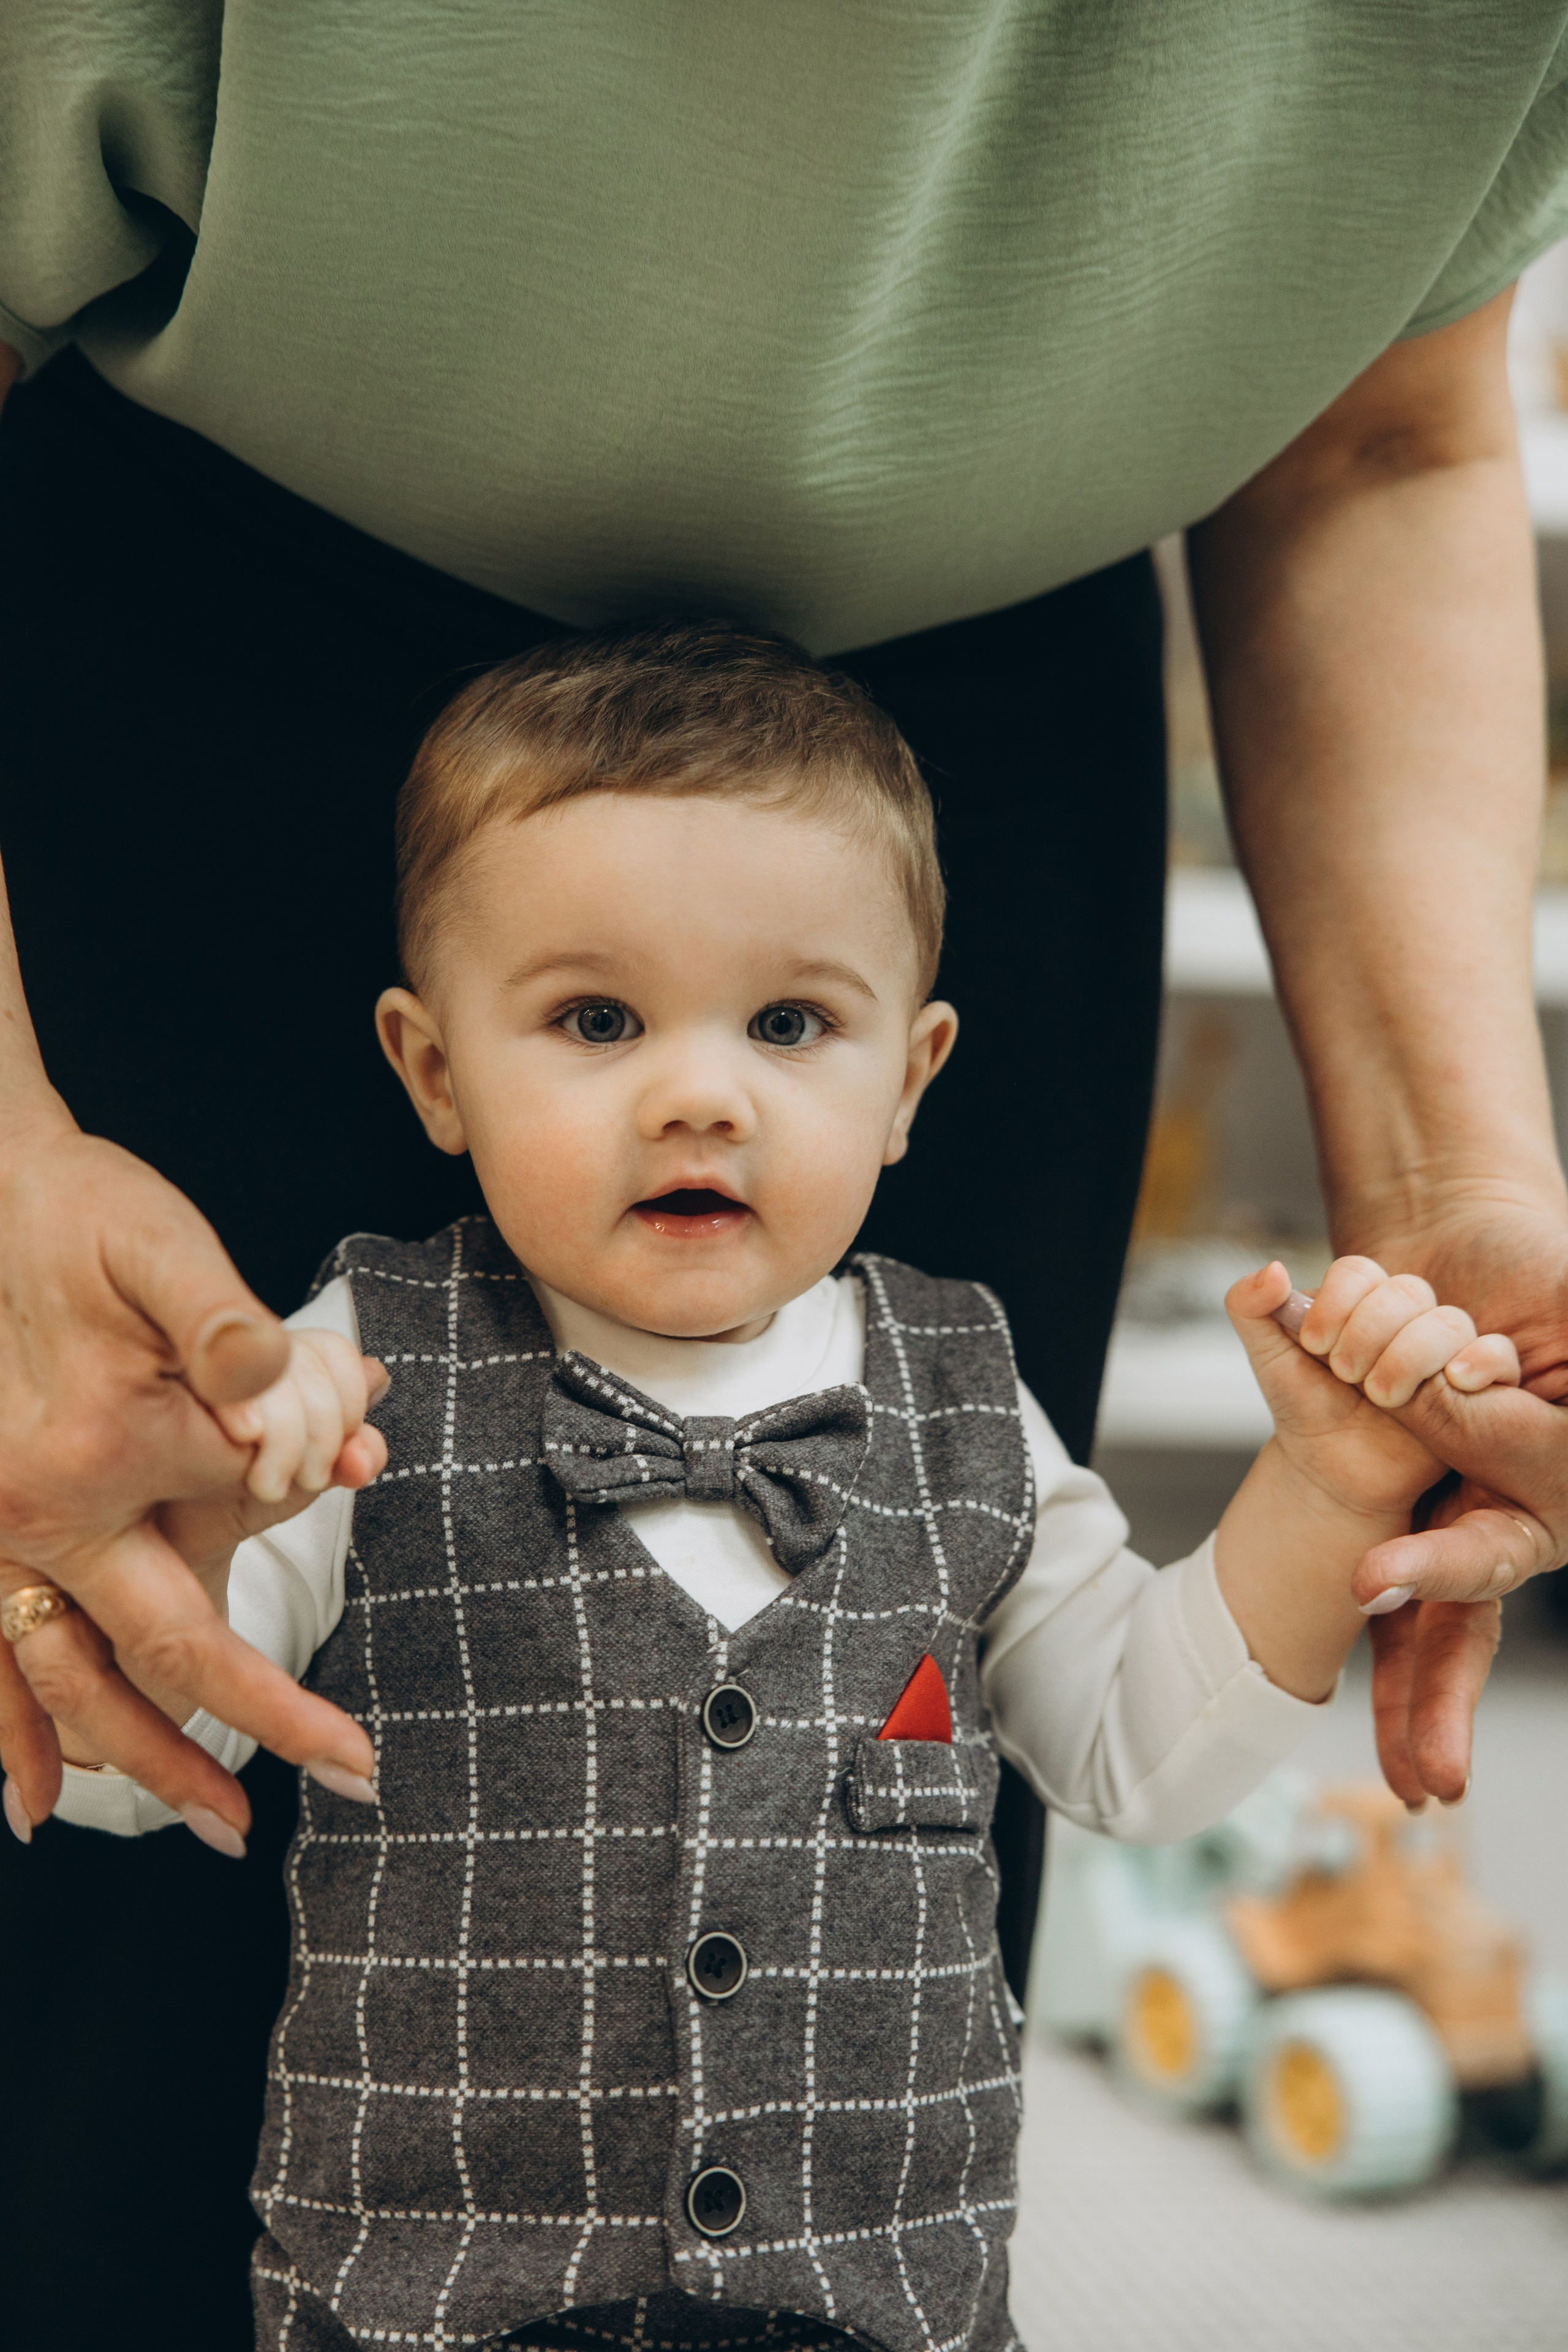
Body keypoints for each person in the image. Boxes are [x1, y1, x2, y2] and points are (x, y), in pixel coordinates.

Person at [7, 13, 1568, 2345]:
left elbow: (1134, 1739)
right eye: (602, 1028)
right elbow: (136, 1778)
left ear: (926, 1073)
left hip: (870, 2294)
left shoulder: (962, 1396)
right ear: (426, 1074)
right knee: (98, 2094)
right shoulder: (343, 1377)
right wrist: (174, 1573)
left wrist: (1324, 1493)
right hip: (413, 2291)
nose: (702, 1098)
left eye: (794, 1031)